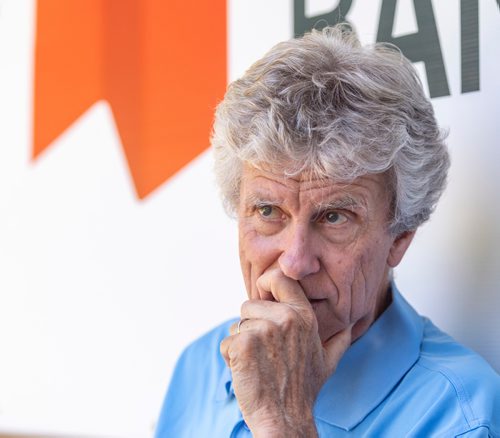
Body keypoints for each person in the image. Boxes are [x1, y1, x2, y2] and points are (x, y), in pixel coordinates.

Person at [154, 25, 500, 437]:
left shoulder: (463, 417)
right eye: (268, 210)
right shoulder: (199, 367)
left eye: (334, 217)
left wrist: (283, 422)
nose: (295, 263)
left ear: (400, 236)